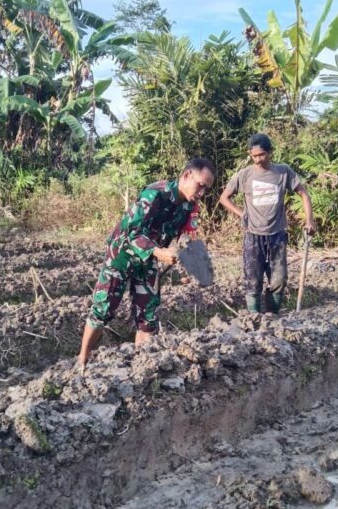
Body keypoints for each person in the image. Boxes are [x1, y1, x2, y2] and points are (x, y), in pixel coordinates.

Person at [76, 157, 216, 368]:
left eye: (206, 190)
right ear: (187, 175)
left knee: (148, 316)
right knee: (103, 310)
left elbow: (187, 237)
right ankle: (82, 359)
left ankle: (142, 367)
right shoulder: (155, 194)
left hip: (149, 260)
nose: (202, 193)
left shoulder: (189, 206)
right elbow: (132, 233)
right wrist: (159, 252)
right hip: (122, 256)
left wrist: (190, 262)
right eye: (200, 186)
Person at [218, 133, 317, 314]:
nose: (257, 159)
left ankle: (273, 317)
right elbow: (224, 198)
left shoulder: (283, 171)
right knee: (253, 280)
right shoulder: (244, 175)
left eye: (261, 155)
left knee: (278, 280)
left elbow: (303, 193)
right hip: (253, 236)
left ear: (270, 152)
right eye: (254, 156)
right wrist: (242, 213)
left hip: (277, 235)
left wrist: (309, 220)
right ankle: (254, 319)